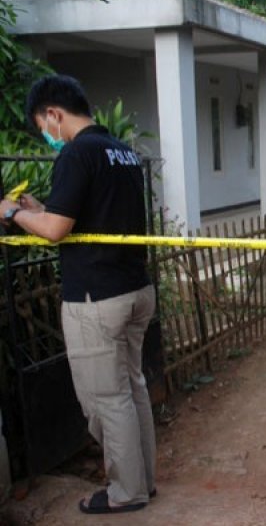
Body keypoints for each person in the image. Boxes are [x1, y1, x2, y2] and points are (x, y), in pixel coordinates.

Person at [0, 75, 156, 514]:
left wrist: (11, 212)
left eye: (42, 125)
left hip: (96, 297)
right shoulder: (121, 150)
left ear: (54, 114)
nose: (46, 134)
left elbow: (55, 231)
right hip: (134, 288)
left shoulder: (75, 153)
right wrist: (38, 209)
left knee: (105, 399)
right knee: (132, 386)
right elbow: (79, 215)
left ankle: (127, 491)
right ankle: (144, 480)